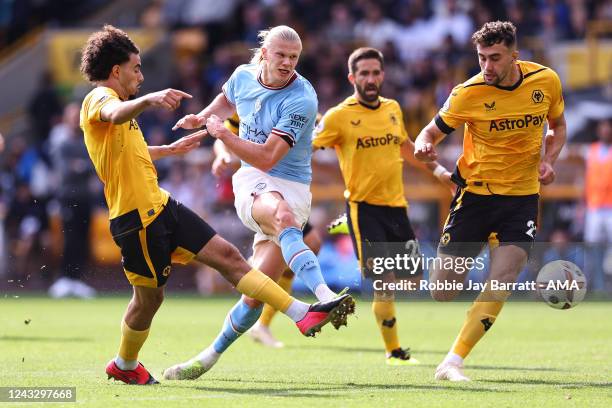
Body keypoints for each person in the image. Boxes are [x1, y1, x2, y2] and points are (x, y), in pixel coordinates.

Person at [79, 25, 354, 385]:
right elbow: (114, 116)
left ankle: (303, 312)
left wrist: (167, 150)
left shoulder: (301, 94)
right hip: (136, 219)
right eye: (136, 69)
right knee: (148, 301)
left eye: (293, 57)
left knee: (230, 259)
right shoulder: (99, 99)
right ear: (116, 71)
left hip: (162, 206)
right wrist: (151, 100)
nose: (141, 76)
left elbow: (124, 151)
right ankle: (124, 364)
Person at [163, 25, 354, 380]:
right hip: (253, 181)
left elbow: (269, 156)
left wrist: (221, 134)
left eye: (293, 58)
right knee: (282, 215)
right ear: (264, 53)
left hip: (293, 185)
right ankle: (323, 295)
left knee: (256, 293)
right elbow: (226, 101)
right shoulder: (243, 76)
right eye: (280, 55)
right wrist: (202, 118)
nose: (287, 63)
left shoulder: (302, 97)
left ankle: (206, 359)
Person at [414, 21, 566, 381]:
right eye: (482, 58)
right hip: (475, 197)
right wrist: (424, 145)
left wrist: (549, 160)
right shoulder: (468, 93)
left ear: (515, 55)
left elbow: (558, 128)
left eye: (495, 58)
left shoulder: (546, 81)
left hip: (522, 198)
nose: (487, 66)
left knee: (504, 278)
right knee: (442, 291)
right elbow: (430, 131)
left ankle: (453, 359)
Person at [313, 47, 453, 365]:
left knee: (413, 279)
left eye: (376, 72)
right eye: (364, 73)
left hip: (396, 207)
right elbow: (308, 146)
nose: (371, 78)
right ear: (352, 78)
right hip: (365, 210)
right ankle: (393, 351)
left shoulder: (392, 109)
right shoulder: (339, 117)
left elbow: (405, 146)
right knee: (384, 283)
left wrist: (440, 172)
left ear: (383, 75)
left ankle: (365, 291)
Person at [219, 113, 324, 348]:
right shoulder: (250, 103)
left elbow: (317, 137)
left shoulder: (302, 107)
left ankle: (261, 313)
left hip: (287, 190)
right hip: (261, 189)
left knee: (310, 243)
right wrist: (222, 155)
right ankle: (258, 298)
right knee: (290, 250)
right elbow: (223, 134)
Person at [584, 118, 612, 291]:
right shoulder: (591, 151)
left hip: (610, 206)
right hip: (594, 206)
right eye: (603, 128)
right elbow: (586, 178)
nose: (606, 131)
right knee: (593, 247)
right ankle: (596, 285)